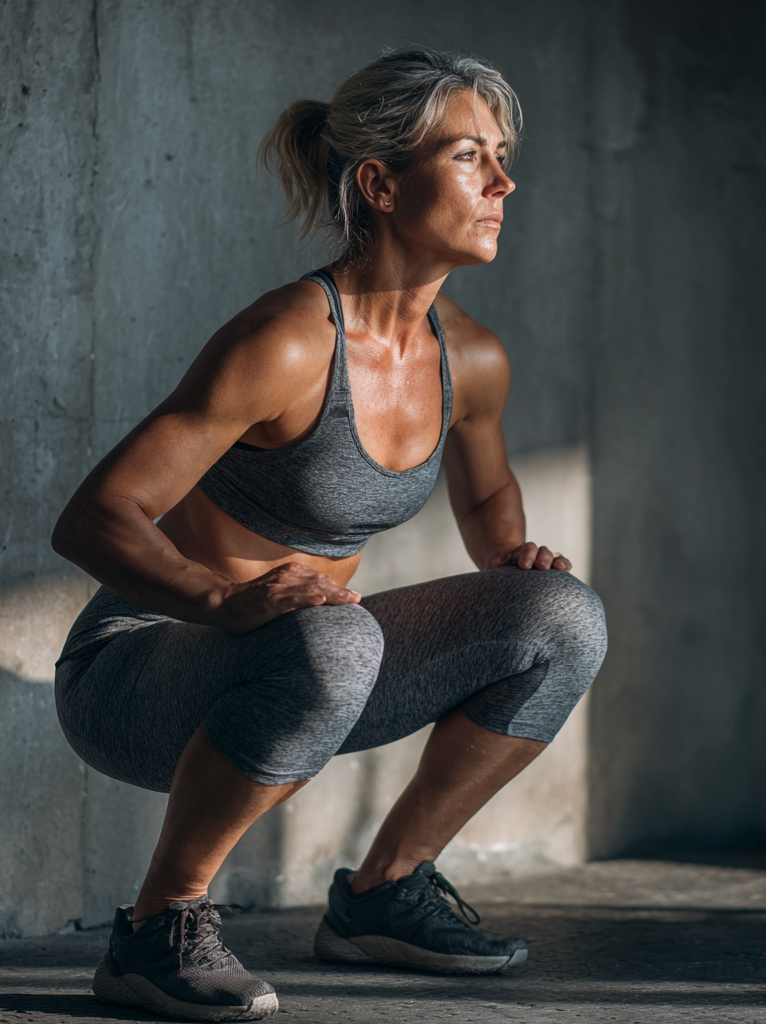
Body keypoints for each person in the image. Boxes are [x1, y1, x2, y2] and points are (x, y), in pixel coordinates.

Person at [50, 46, 607, 1022]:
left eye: (504, 156)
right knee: (335, 631)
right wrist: (222, 599)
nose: (503, 182)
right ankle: (157, 927)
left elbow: (485, 501)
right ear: (380, 183)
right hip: (136, 670)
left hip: (314, 664)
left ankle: (385, 890)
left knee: (564, 618)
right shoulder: (288, 341)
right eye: (472, 156)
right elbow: (97, 515)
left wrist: (511, 556)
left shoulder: (469, 357)